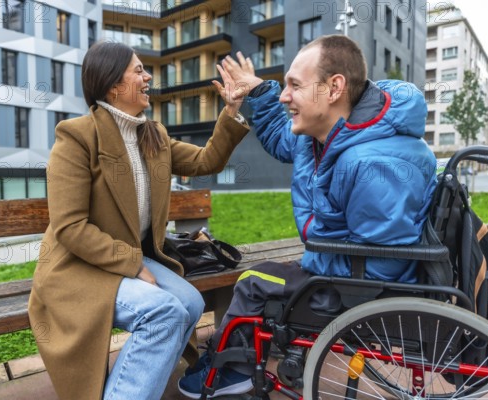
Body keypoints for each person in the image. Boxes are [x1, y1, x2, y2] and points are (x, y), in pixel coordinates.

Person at [178, 34, 437, 398]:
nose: (286, 96)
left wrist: (316, 261)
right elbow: (284, 139)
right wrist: (258, 93)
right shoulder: (329, 133)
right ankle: (234, 359)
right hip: (343, 264)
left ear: (334, 88)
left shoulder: (371, 164)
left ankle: (230, 373)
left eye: (294, 86)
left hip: (362, 291)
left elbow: (383, 269)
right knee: (268, 274)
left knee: (253, 280)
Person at [27, 41, 250, 400]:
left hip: (125, 260)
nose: (147, 76)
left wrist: (232, 110)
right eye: (137, 70)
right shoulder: (77, 137)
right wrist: (132, 264)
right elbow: (70, 227)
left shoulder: (152, 136)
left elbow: (206, 161)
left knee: (190, 303)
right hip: (78, 267)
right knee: (164, 313)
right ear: (113, 85)